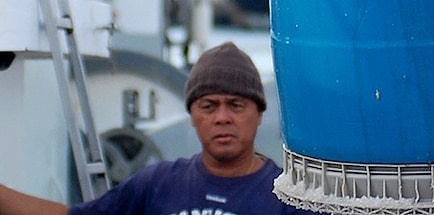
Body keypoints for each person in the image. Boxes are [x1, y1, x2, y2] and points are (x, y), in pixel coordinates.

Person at [0, 41, 321, 215]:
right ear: (193, 115)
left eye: (236, 105)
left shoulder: (290, 200)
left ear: (259, 114)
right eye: (209, 106)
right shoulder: (156, 184)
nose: (223, 117)